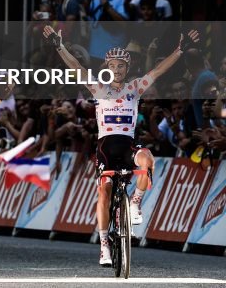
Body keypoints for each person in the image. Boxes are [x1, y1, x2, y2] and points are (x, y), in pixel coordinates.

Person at [46, 25, 198, 267]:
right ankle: (104, 245)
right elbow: (76, 67)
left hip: (128, 145)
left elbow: (158, 71)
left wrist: (179, 50)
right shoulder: (98, 87)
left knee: (147, 158)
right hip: (106, 147)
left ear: (128, 69)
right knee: (104, 191)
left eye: (121, 66)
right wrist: (60, 46)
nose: (116, 70)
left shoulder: (134, 87)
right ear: (106, 68)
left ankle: (135, 203)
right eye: (112, 66)